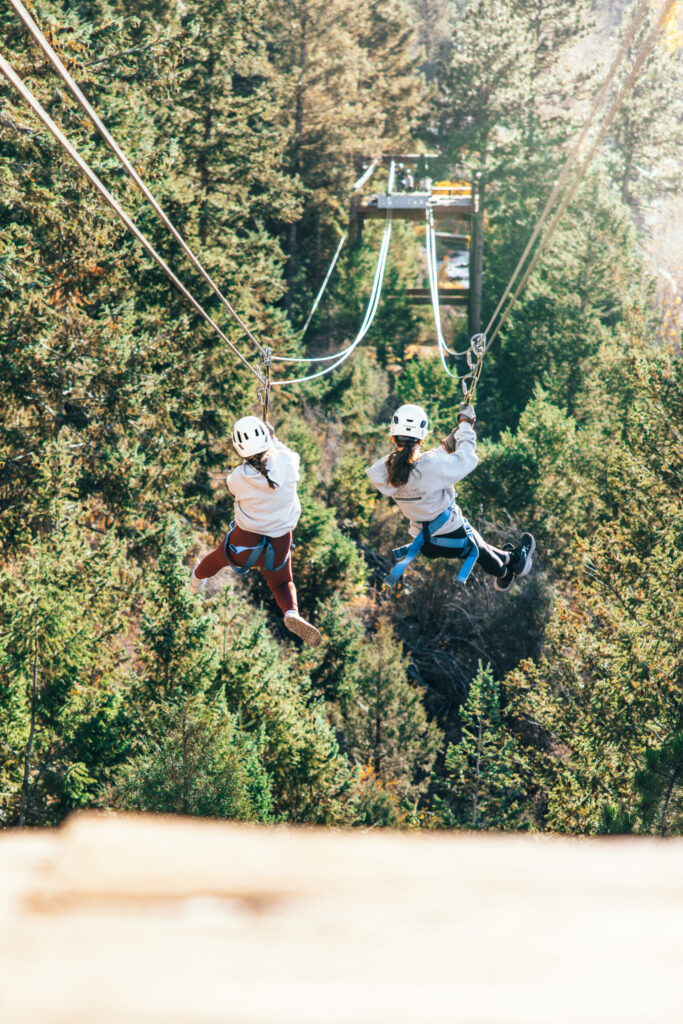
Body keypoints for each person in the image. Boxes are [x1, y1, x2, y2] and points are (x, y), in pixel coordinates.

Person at [366, 403, 535, 591]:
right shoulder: (431, 465)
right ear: (421, 438)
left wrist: (447, 445)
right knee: (478, 547)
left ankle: (512, 560)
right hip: (453, 532)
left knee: (479, 546)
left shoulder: (386, 470)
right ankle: (506, 573)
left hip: (425, 542)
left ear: (392, 436)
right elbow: (467, 458)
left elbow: (418, 467)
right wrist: (465, 426)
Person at [190, 416, 321, 647]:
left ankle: (195, 584)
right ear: (267, 439)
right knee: (282, 583)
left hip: (245, 543)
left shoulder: (237, 479)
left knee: (217, 558)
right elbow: (287, 456)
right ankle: (291, 612)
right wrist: (273, 438)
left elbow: (244, 476)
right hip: (279, 544)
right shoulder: (289, 462)